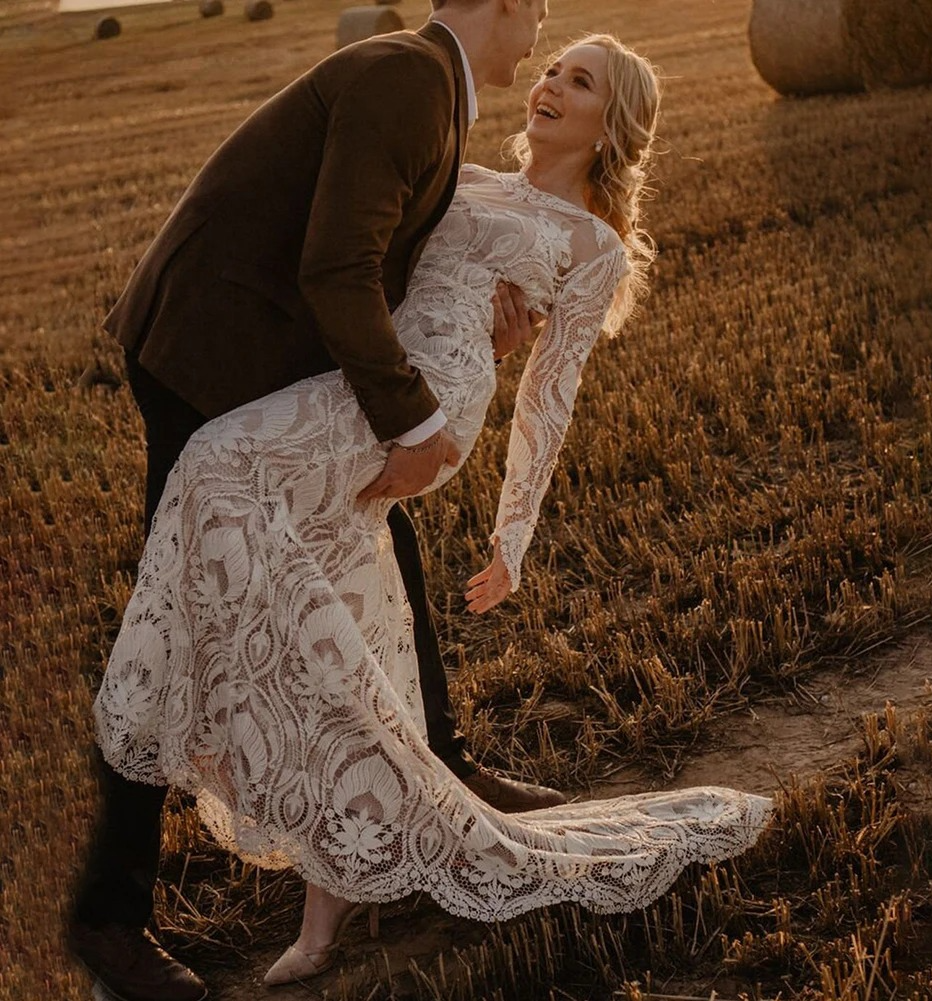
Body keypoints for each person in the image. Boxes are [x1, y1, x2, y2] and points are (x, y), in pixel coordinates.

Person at [89, 32, 774, 992]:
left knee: (214, 463)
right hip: (369, 382)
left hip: (426, 404)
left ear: (610, 128)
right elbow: (370, 259)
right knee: (353, 605)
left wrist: (515, 534)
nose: (549, 84)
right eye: (551, 67)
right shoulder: (468, 174)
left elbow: (549, 394)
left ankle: (170, 704)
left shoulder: (595, 246)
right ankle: (332, 895)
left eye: (579, 82)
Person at [70, 3, 557, 1000]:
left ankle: (439, 770)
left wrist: (481, 327)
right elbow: (335, 266)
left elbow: (380, 259)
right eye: (537, 4)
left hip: (253, 353)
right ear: (499, 2)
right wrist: (415, 425)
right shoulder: (407, 80)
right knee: (183, 611)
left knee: (383, 537)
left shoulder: (430, 88)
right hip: (209, 353)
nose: (543, 24)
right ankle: (108, 920)